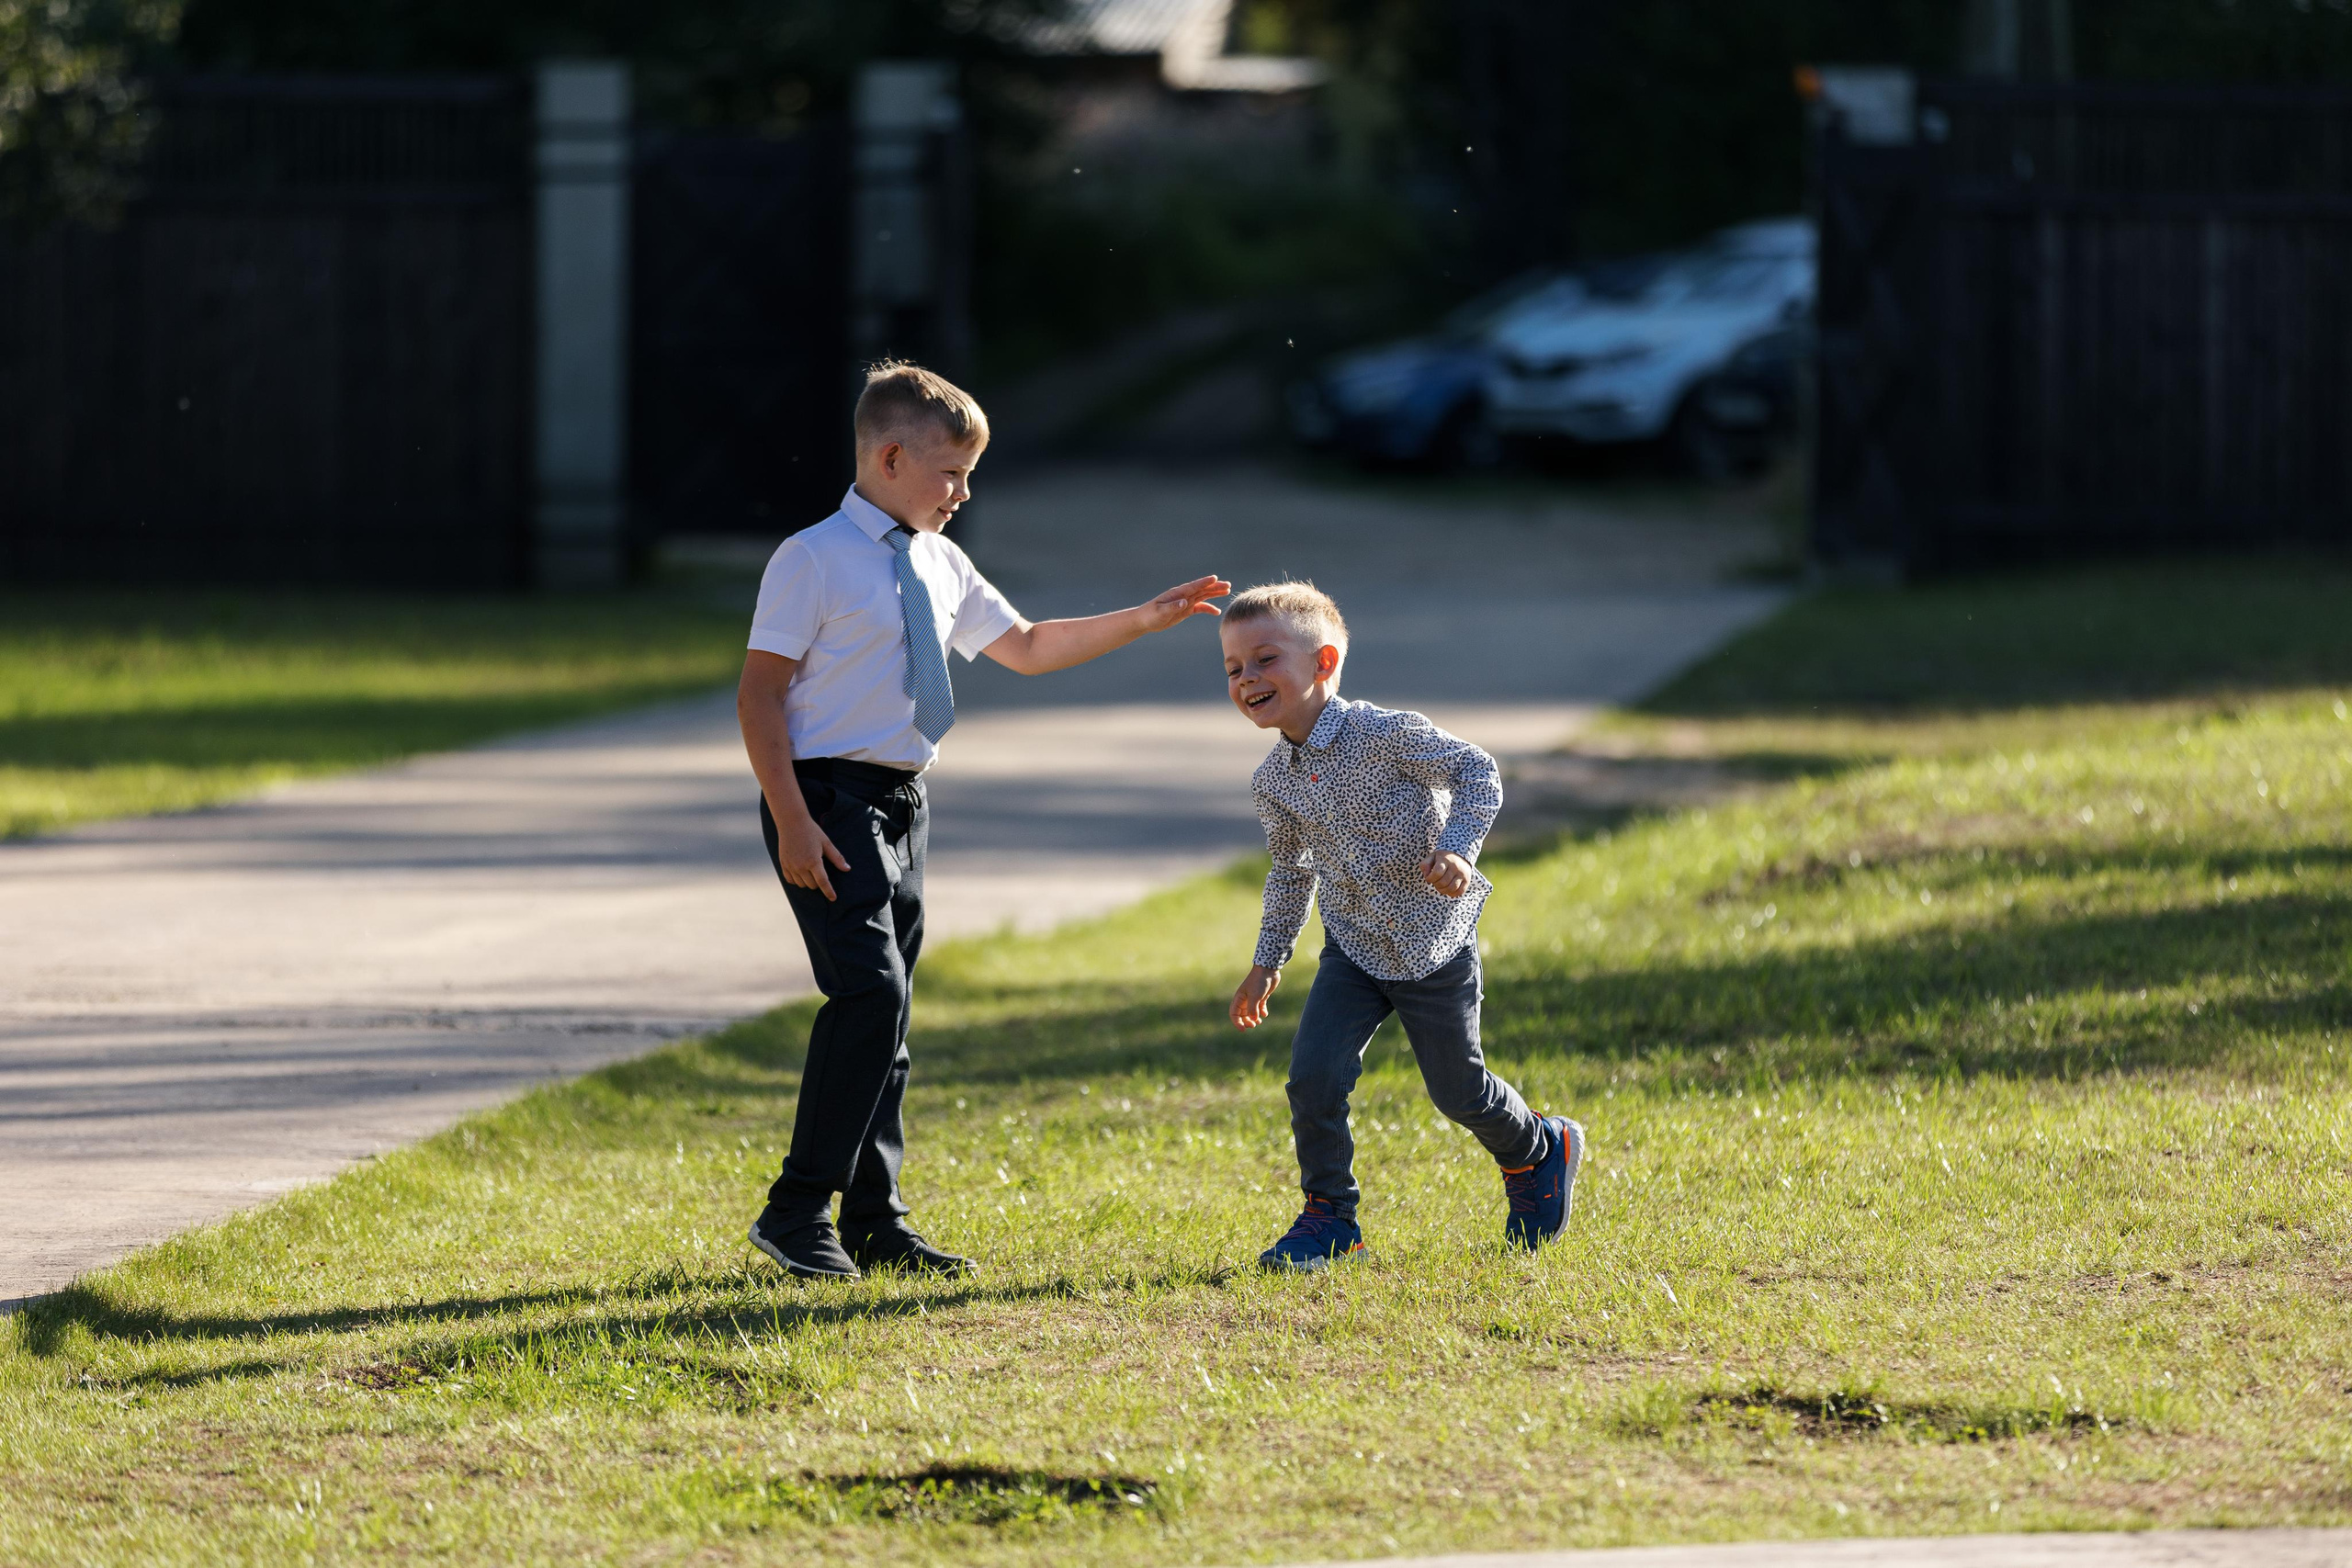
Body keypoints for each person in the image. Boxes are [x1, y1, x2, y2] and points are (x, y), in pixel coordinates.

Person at [738, 361, 1229, 1280]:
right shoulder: (811, 558)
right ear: (889, 457)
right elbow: (759, 696)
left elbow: (1028, 646)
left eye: (969, 477)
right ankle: (795, 1209)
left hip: (901, 804)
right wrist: (793, 819)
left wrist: (1144, 618)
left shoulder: (938, 559)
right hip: (824, 800)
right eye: (951, 474)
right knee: (868, 996)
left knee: (892, 1017)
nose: (963, 494)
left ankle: (875, 1220)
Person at [1223, 581, 1583, 1269]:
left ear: (1324, 663)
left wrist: (1459, 847)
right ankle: (1332, 1220)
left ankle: (1539, 1149)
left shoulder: (1384, 733)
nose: (1248, 679)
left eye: (1265, 659)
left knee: (1458, 1090)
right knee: (1313, 1077)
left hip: (1432, 943)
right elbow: (1291, 870)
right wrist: (1268, 959)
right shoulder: (1273, 780)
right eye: (1234, 668)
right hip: (1353, 948)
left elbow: (1479, 771)